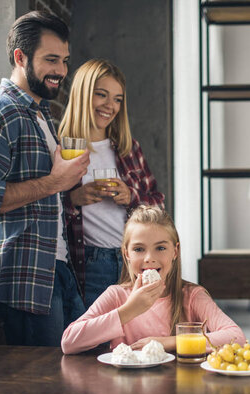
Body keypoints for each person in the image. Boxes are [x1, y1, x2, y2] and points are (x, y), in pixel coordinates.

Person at [0, 11, 88, 346]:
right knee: (42, 386)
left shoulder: (40, 112)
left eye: (65, 60)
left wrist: (69, 182)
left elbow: (46, 192)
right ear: (20, 57)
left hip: (56, 270)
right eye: (51, 60)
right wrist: (54, 183)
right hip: (23, 283)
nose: (61, 71)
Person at [61, 205, 246, 354]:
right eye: (139, 249)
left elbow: (236, 337)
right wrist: (129, 310)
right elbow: (69, 342)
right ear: (126, 254)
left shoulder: (191, 296)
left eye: (160, 248)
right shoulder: (116, 295)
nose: (149, 258)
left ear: (175, 251)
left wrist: (168, 342)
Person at [59, 59, 165, 309]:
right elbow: (44, 211)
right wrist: (74, 199)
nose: (111, 106)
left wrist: (131, 196)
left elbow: (158, 206)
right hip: (90, 262)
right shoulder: (62, 149)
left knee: (134, 340)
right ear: (83, 95)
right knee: (96, 342)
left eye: (117, 99)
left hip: (133, 261)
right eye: (101, 95)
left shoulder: (128, 149)